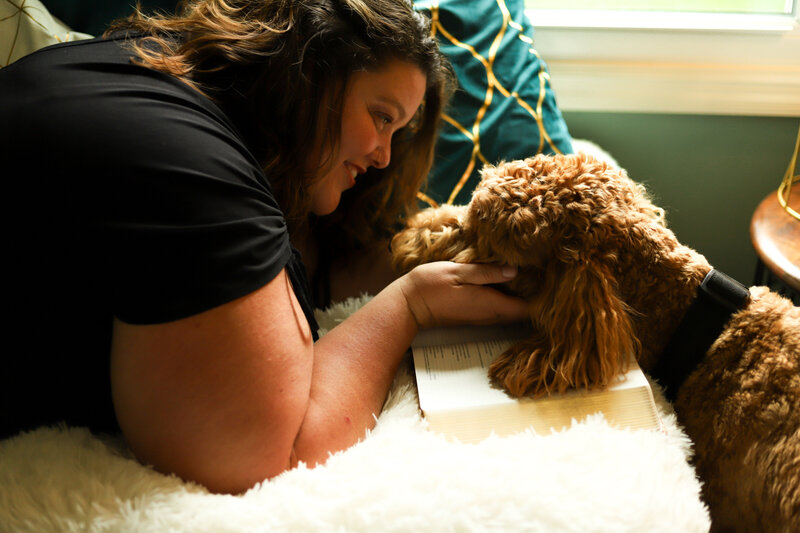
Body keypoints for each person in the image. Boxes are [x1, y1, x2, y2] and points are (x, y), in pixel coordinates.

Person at [0, 0, 528, 493]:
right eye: (383, 117)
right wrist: (411, 303)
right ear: (311, 70)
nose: (385, 156)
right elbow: (272, 452)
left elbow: (301, 269)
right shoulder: (193, 169)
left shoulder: (152, 78)